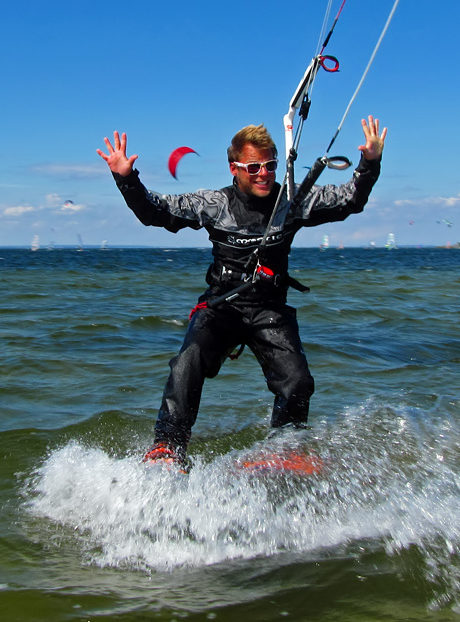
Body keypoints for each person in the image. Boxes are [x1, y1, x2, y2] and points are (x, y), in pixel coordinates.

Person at [97, 117, 387, 466]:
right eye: (254, 167)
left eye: (270, 166)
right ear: (235, 168)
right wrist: (126, 178)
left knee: (297, 380)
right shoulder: (215, 203)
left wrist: (370, 161)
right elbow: (156, 212)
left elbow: (350, 200)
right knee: (187, 362)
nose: (264, 173)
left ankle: (286, 448)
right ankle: (169, 446)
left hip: (268, 309)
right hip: (223, 305)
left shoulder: (290, 202)